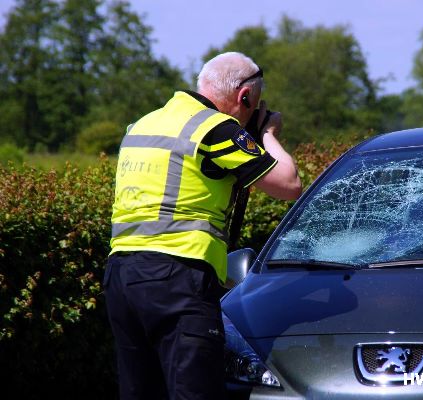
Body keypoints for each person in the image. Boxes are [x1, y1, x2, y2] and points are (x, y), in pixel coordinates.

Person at [103, 52, 302, 400]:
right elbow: (289, 184)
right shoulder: (213, 129)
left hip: (121, 278)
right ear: (245, 98)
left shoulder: (143, 124)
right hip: (177, 281)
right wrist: (267, 132)